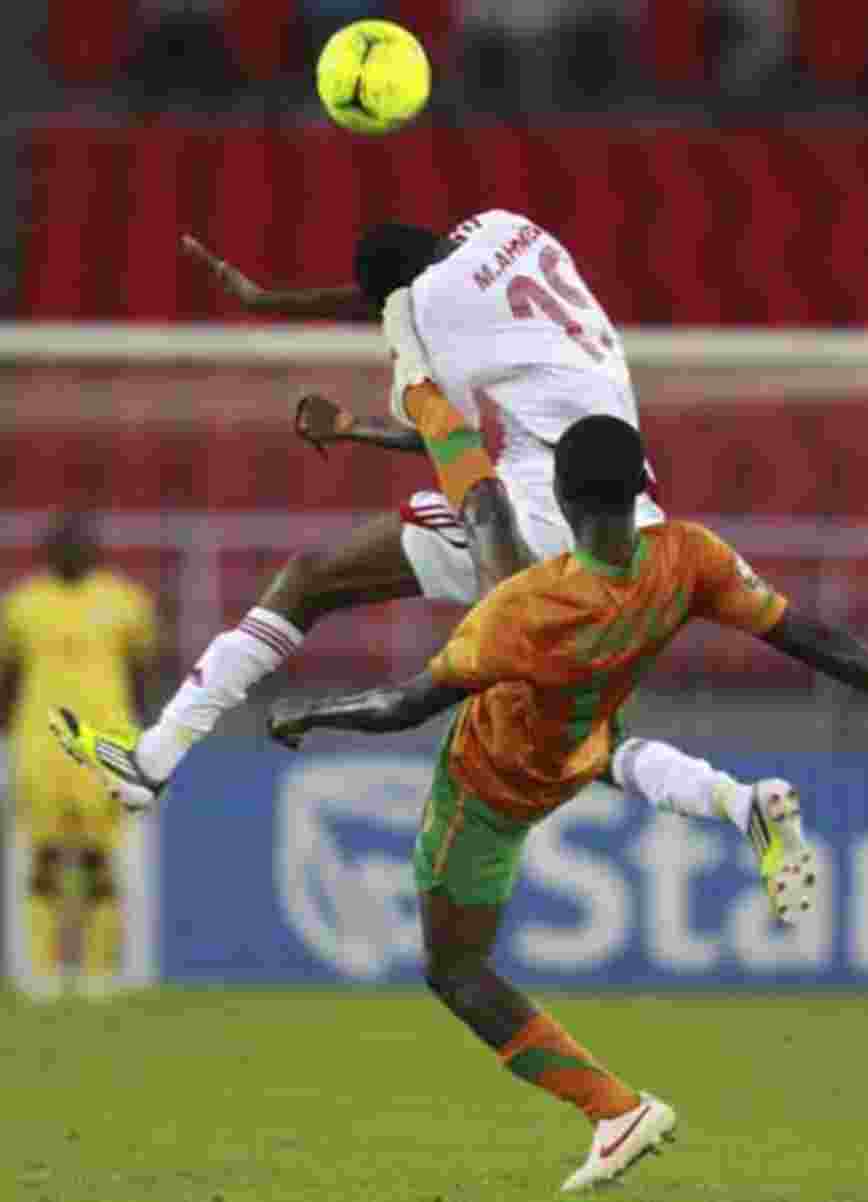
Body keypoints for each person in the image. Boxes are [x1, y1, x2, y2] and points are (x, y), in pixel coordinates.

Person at [265, 412, 868, 1192]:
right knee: (608, 747)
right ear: (641, 491)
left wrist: (311, 713)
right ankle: (736, 801)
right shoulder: (688, 558)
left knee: (453, 971)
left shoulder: (520, 611)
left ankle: (614, 1110)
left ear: (558, 495)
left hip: (493, 788)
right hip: (582, 740)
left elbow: (405, 706)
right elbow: (812, 637)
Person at [50, 210, 788, 883]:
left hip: (536, 508)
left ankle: (156, 754)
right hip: (624, 504)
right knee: (570, 733)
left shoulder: (428, 314)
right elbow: (399, 299)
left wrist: (356, 421)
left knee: (311, 579)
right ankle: (736, 800)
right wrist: (270, 303)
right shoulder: (505, 232)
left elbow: (447, 435)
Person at [0, 513, 158, 998]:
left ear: (95, 550)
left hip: (105, 744)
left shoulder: (126, 601)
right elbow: (9, 676)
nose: (73, 552)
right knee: (43, 858)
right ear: (48, 551)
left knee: (100, 859)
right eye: (64, 544)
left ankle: (97, 971)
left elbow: (139, 675)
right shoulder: (22, 604)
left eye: (81, 544)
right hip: (38, 744)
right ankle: (42, 973)